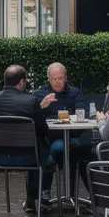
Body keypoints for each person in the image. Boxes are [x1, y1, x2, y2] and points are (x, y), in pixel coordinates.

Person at [0, 65, 54, 213]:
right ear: (21, 82)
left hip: (0, 158)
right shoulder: (30, 101)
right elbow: (43, 130)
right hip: (29, 157)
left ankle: (31, 199)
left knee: (36, 151)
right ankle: (36, 197)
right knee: (47, 156)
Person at [36, 62, 93, 196]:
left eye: (60, 78)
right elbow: (33, 115)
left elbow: (82, 112)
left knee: (59, 150)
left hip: (70, 136)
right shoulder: (40, 93)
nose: (57, 82)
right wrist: (42, 106)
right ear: (49, 79)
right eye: (54, 79)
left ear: (65, 78)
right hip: (47, 136)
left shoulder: (75, 92)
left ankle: (70, 194)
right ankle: (44, 193)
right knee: (42, 152)